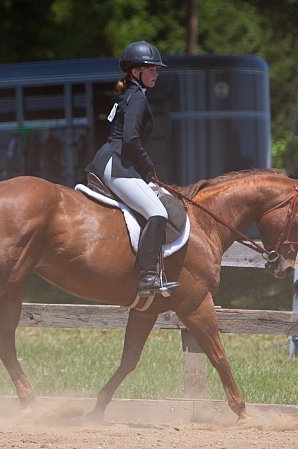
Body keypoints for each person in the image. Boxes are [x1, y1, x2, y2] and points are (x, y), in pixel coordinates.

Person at [84, 40, 177, 297]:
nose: (156, 73)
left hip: (111, 159)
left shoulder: (129, 95)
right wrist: (149, 168)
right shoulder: (136, 98)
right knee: (158, 212)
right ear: (136, 72)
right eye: (151, 69)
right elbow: (131, 140)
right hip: (117, 163)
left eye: (157, 70)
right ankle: (147, 277)